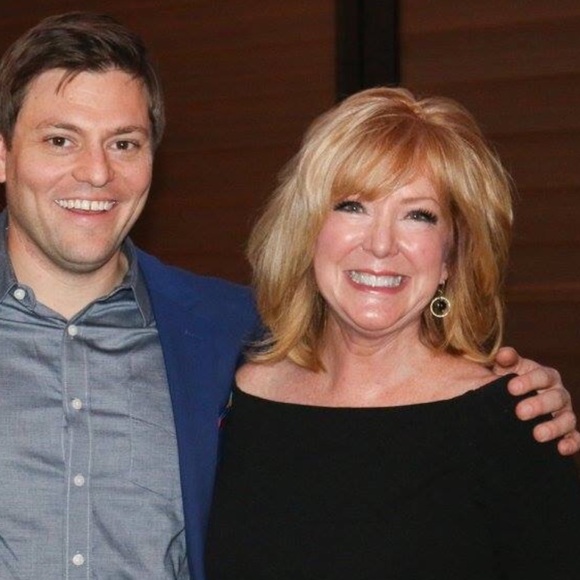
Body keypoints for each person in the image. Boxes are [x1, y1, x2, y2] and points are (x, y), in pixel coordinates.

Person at [0, 12, 576, 580]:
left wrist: (517, 400)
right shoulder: (253, 375)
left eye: (124, 143)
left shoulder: (225, 336)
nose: (97, 172)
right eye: (60, 140)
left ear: (452, 255)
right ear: (4, 154)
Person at [205, 87, 580, 579]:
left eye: (418, 215)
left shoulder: (512, 422)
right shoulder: (232, 398)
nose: (381, 244)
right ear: (308, 231)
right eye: (352, 206)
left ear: (451, 256)